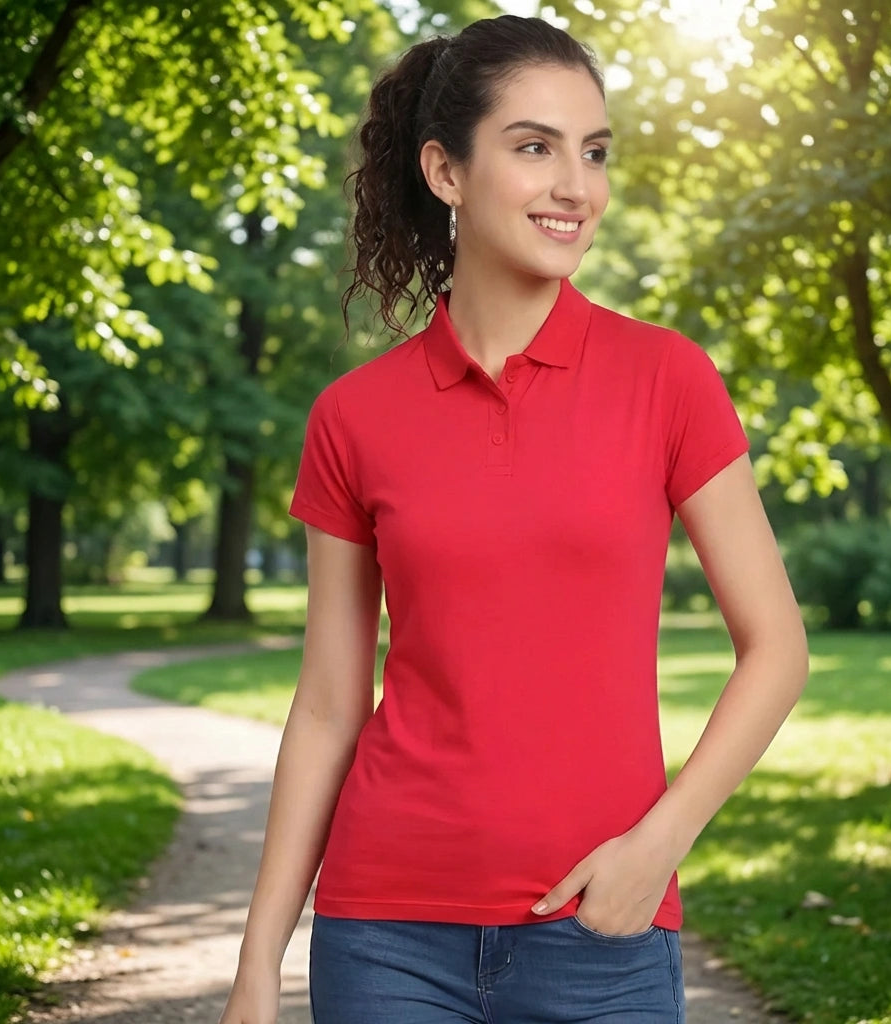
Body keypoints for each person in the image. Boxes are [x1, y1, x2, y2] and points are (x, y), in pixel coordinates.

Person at [218, 14, 808, 1024]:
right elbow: (326, 704)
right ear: (445, 171)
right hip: (386, 937)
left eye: (593, 152)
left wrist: (655, 848)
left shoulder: (666, 379)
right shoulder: (352, 417)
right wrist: (256, 965)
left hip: (603, 932)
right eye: (534, 148)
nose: (575, 186)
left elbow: (778, 647)